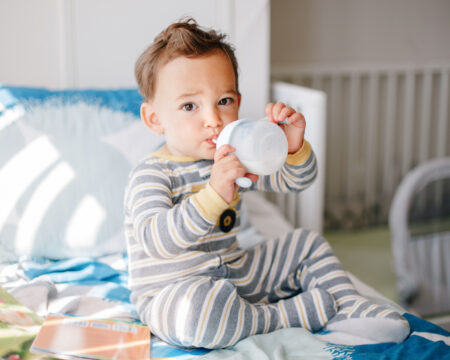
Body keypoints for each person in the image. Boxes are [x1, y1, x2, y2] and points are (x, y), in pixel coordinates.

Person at [124, 18, 409, 349]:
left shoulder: (233, 154)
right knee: (195, 315)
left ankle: (348, 305)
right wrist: (214, 194)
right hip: (174, 291)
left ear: (238, 102)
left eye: (224, 101)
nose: (213, 120)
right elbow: (158, 240)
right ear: (154, 119)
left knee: (307, 245)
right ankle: (282, 316)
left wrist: (291, 149)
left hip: (235, 272)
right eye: (190, 105)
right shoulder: (152, 174)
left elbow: (297, 181)